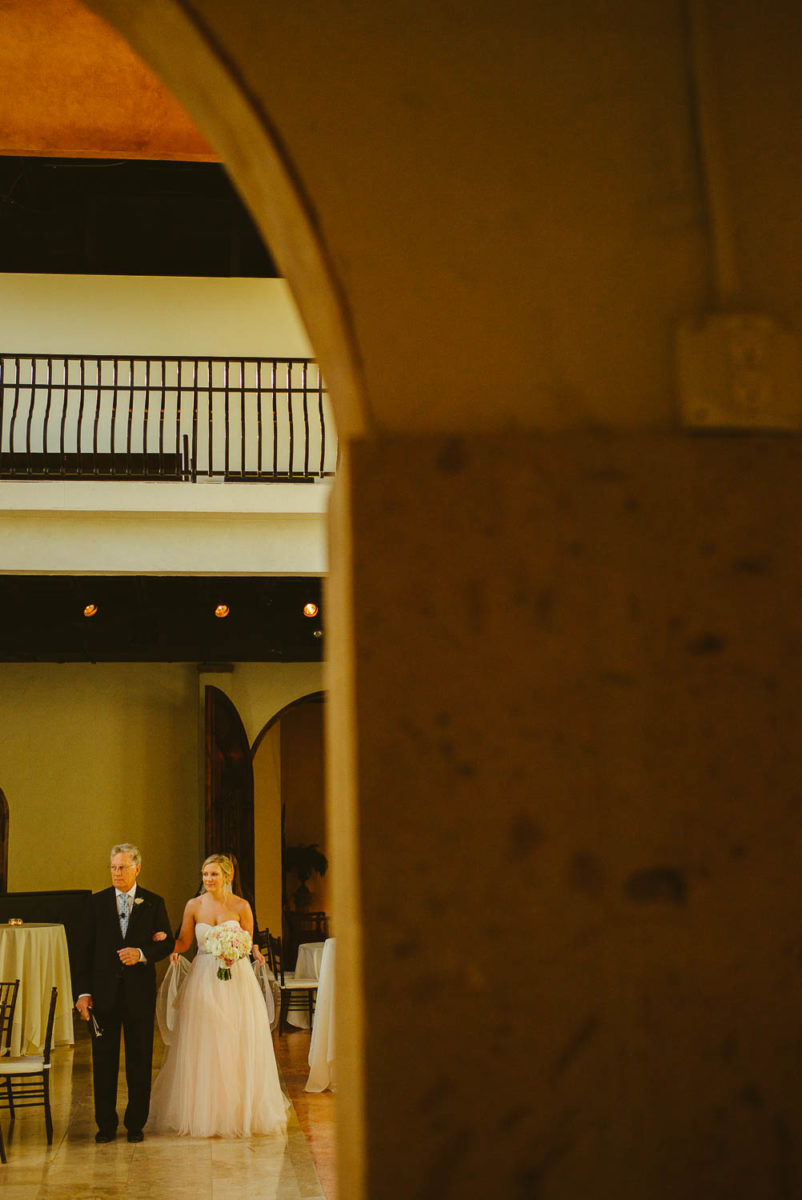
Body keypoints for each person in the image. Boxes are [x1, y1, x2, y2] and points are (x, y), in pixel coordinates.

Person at [148, 853, 288, 1138]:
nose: (208, 879)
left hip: (236, 979)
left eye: (214, 874)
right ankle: (205, 1110)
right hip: (203, 978)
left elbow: (249, 941)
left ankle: (238, 1110)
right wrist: (169, 946)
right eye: (205, 874)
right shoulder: (193, 906)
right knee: (205, 1041)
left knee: (236, 1040)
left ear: (227, 877)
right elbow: (186, 940)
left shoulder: (241, 906)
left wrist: (251, 951)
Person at [74, 842, 175, 1143]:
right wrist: (82, 993)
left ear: (137, 869)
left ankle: (135, 1124)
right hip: (103, 997)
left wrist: (142, 952)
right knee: (103, 1063)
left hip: (139, 996)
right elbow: (83, 952)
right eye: (113, 867)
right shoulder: (95, 903)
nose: (117, 873)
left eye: (122, 867)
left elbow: (167, 942)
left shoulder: (154, 903)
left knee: (139, 1061)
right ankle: (105, 1125)